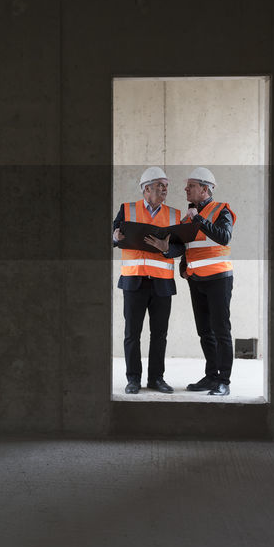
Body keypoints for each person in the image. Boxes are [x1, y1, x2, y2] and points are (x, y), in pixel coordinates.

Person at [112, 167, 183, 394]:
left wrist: (167, 249)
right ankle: (133, 379)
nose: (164, 189)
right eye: (160, 185)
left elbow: (180, 247)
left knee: (159, 334)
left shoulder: (174, 215)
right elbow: (114, 234)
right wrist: (114, 237)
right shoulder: (127, 210)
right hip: (134, 281)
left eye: (166, 186)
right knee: (132, 333)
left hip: (161, 283)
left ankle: (156, 379)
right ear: (146, 189)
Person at [180, 167, 235, 396]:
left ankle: (224, 381)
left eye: (191, 186)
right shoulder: (187, 217)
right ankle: (211, 376)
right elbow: (186, 245)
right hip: (196, 280)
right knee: (205, 331)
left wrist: (199, 219)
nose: (186, 189)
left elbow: (224, 237)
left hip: (218, 279)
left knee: (221, 330)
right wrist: (183, 266)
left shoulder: (221, 210)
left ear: (205, 189)